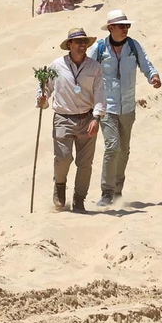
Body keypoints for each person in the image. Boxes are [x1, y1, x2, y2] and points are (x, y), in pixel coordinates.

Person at [90, 9, 160, 207]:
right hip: (107, 106)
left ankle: (118, 190)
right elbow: (88, 69)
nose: (125, 29)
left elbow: (146, 63)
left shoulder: (133, 46)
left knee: (124, 150)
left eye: (127, 26)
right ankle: (106, 192)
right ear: (111, 27)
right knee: (112, 146)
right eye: (121, 26)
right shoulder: (100, 48)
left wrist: (153, 76)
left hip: (128, 107)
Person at [37, 28, 106, 213]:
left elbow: (100, 93)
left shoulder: (94, 67)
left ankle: (79, 198)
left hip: (87, 117)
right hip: (63, 118)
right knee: (62, 157)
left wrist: (97, 118)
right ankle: (59, 186)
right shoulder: (56, 65)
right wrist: (42, 99)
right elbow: (45, 89)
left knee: (85, 163)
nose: (82, 45)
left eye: (85, 41)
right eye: (78, 42)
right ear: (70, 45)